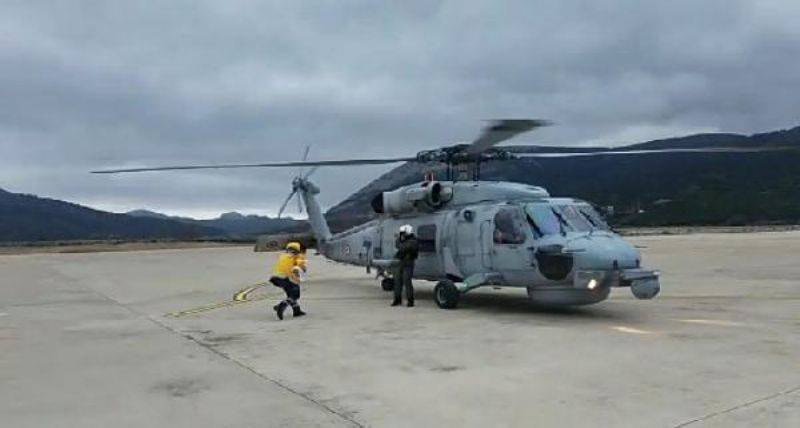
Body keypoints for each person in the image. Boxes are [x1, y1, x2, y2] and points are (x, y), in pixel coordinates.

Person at [270, 242, 307, 320]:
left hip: (275, 277)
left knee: (290, 294)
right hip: (287, 277)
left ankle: (297, 310)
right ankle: (282, 305)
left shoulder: (282, 255)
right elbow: (301, 268)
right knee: (295, 295)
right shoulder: (298, 256)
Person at [392, 224, 419, 307]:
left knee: (407, 281)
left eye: (403, 233)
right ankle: (397, 299)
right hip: (400, 262)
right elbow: (398, 246)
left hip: (408, 263)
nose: (402, 234)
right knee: (397, 281)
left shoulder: (413, 241)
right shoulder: (404, 240)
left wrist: (398, 240)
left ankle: (410, 301)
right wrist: (399, 239)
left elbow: (402, 247)